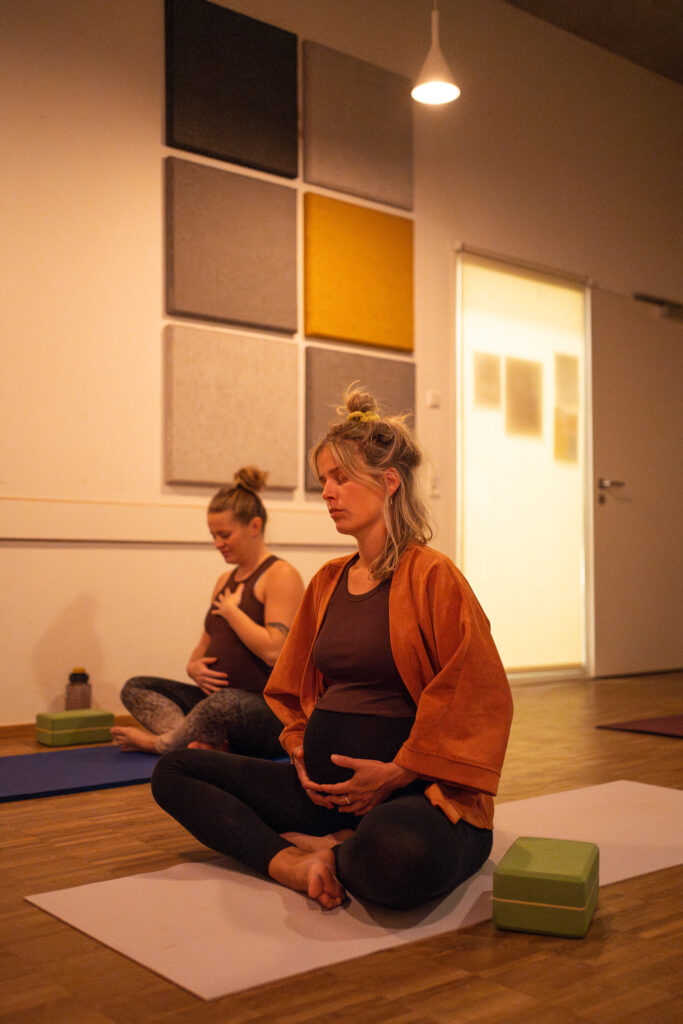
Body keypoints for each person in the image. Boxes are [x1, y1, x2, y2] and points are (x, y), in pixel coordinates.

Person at [151, 390, 513, 911]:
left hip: (413, 795)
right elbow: (291, 687)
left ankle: (345, 849)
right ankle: (294, 862)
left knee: (396, 857)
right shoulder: (327, 581)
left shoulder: (433, 575)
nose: (327, 491)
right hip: (321, 794)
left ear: (388, 483)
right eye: (324, 479)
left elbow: (478, 694)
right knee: (175, 772)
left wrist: (397, 771)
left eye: (340, 478)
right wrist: (299, 750)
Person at [112, 467, 305, 756]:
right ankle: (202, 742)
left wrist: (232, 612)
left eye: (224, 534)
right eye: (213, 535)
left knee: (222, 704)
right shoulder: (223, 581)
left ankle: (163, 744)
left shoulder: (281, 574)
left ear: (254, 526)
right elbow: (203, 645)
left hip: (262, 710)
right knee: (135, 688)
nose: (217, 544)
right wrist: (193, 667)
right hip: (213, 703)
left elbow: (275, 651)